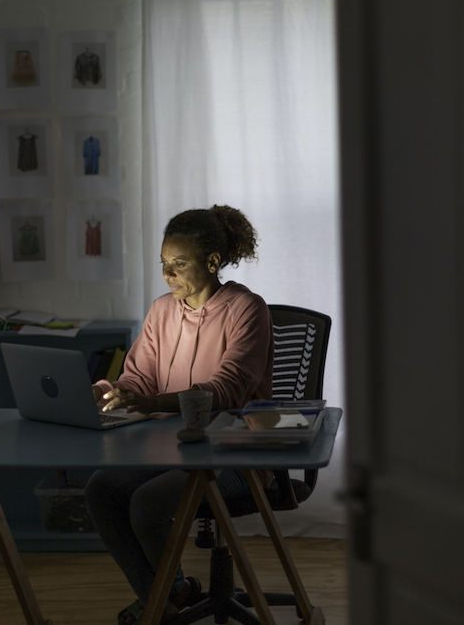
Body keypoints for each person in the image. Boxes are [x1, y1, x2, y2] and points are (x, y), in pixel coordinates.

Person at [85, 205, 274, 625]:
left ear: (212, 261)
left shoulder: (247, 309)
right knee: (101, 488)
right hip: (170, 447)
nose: (168, 274)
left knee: (147, 502)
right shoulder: (161, 310)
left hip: (235, 452)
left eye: (179, 264)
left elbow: (226, 390)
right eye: (163, 263)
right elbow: (137, 378)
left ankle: (160, 601)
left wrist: (154, 403)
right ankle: (169, 595)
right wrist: (104, 391)